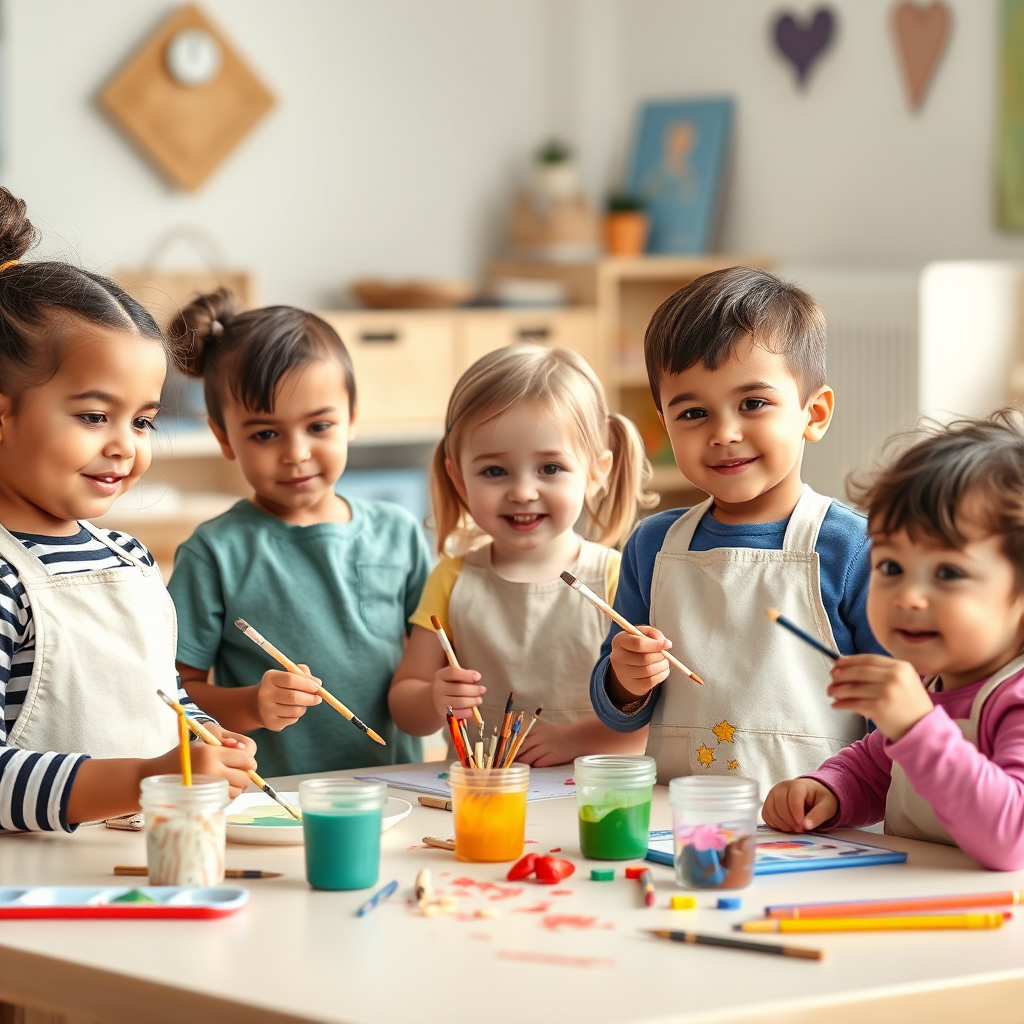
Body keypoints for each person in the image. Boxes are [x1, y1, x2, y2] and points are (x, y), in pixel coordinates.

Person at [0, 189, 256, 832]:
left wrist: (205, 746)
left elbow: (161, 701)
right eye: (93, 416)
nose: (124, 446)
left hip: (146, 864)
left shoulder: (127, 557)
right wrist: (144, 779)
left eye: (142, 420)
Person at [591, 266, 884, 794]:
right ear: (665, 427)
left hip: (819, 829)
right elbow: (620, 714)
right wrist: (625, 679)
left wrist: (845, 796)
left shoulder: (854, 548)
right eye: (694, 412)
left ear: (812, 414)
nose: (724, 433)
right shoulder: (651, 545)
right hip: (678, 819)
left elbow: (895, 716)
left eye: (752, 404)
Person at [167, 291, 431, 776]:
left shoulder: (401, 533)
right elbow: (175, 697)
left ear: (351, 418)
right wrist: (253, 706)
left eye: (319, 426)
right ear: (223, 436)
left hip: (392, 791)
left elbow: (432, 662)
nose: (296, 453)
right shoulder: (213, 552)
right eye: (265, 434)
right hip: (269, 802)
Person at [764, 412, 1024, 870]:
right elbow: (875, 769)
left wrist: (916, 727)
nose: (907, 596)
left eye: (947, 572)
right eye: (890, 568)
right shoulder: (926, 682)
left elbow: (1011, 836)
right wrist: (829, 790)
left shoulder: (1014, 697)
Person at [389, 344, 655, 765]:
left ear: (597, 472)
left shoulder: (617, 576)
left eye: (550, 468)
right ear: (458, 479)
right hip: (480, 800)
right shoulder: (452, 577)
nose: (522, 492)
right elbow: (405, 708)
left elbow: (649, 721)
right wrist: (432, 697)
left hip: (590, 800)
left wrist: (572, 740)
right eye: (494, 471)